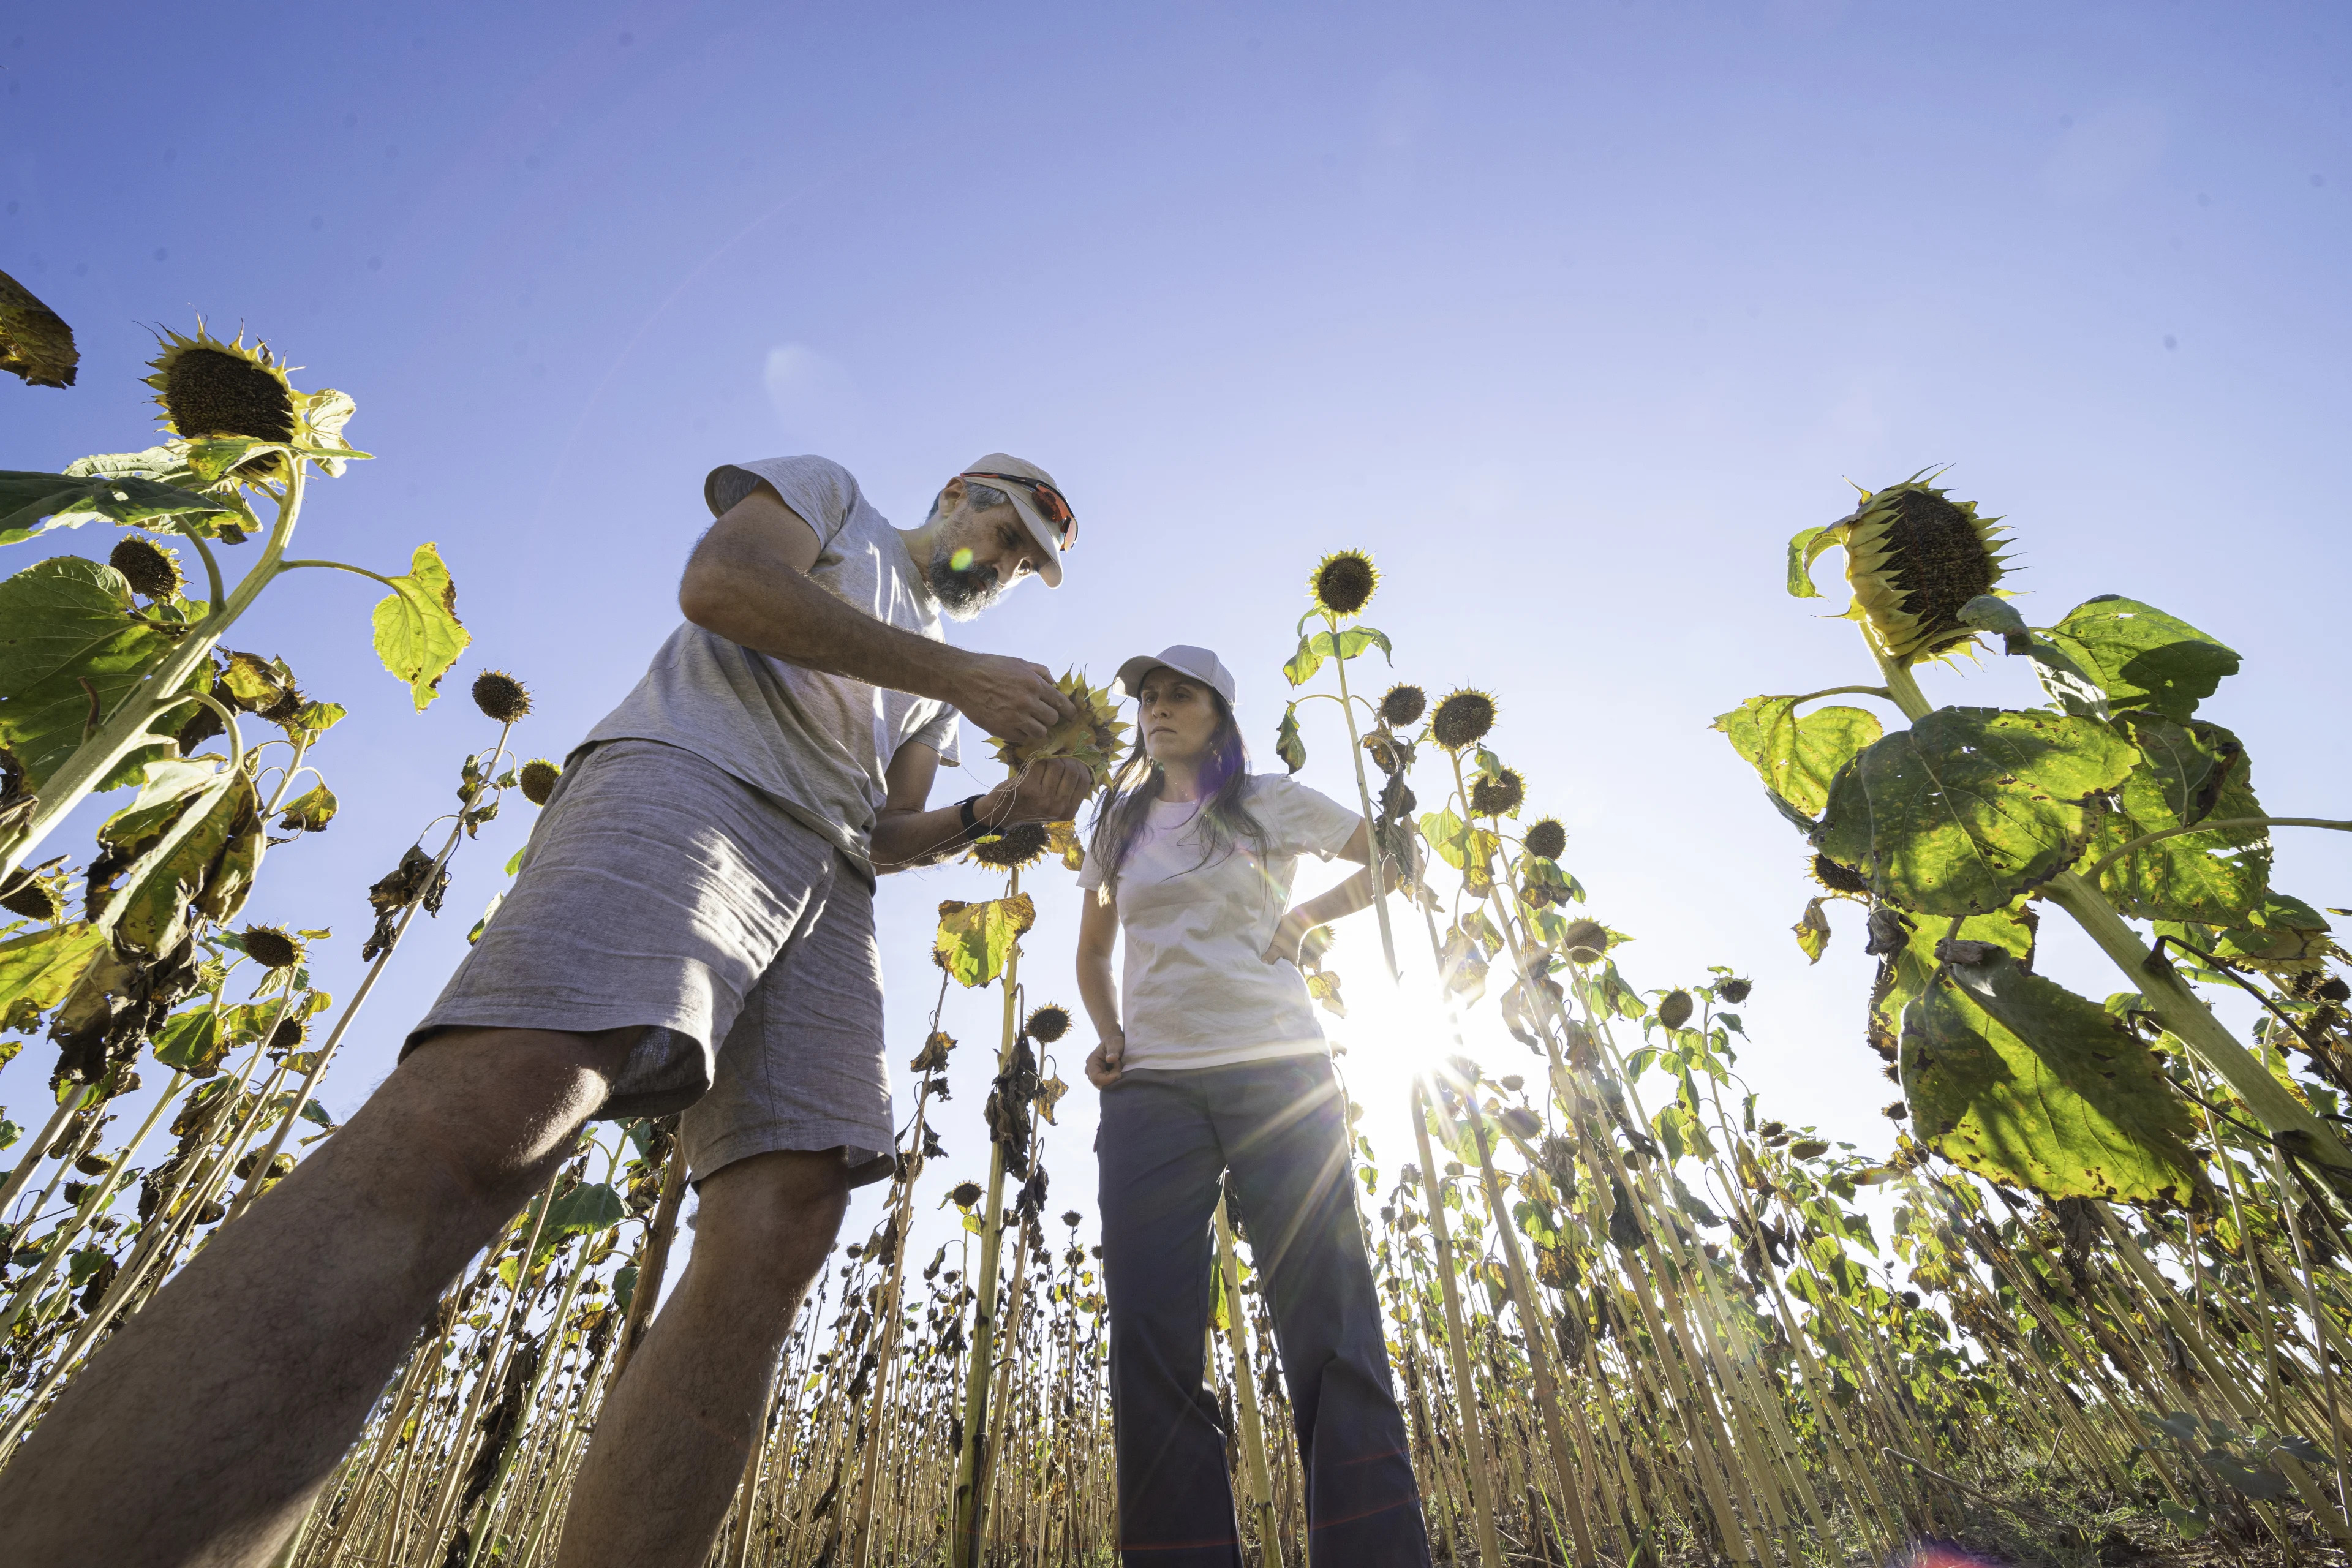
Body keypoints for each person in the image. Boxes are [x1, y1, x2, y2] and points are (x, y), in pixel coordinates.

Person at [2, 454, 1097, 1568]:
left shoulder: (948, 676)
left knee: (786, 1221)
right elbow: (724, 585)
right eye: (1008, 532)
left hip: (831, 884)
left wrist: (994, 808)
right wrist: (956, 679)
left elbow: (886, 829)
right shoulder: (835, 500)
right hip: (695, 778)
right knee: (502, 1107)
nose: (1008, 563)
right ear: (961, 493)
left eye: (1027, 563)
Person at [1077, 645, 1433, 1568]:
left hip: (1280, 1076)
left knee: (1331, 1326)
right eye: (1148, 697)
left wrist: (1308, 917)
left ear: (1220, 713)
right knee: (1152, 1345)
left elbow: (1399, 855)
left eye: (1178, 695)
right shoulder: (1117, 823)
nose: (1158, 708)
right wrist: (1109, 1032)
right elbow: (1091, 954)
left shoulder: (1270, 799)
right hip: (1151, 1093)